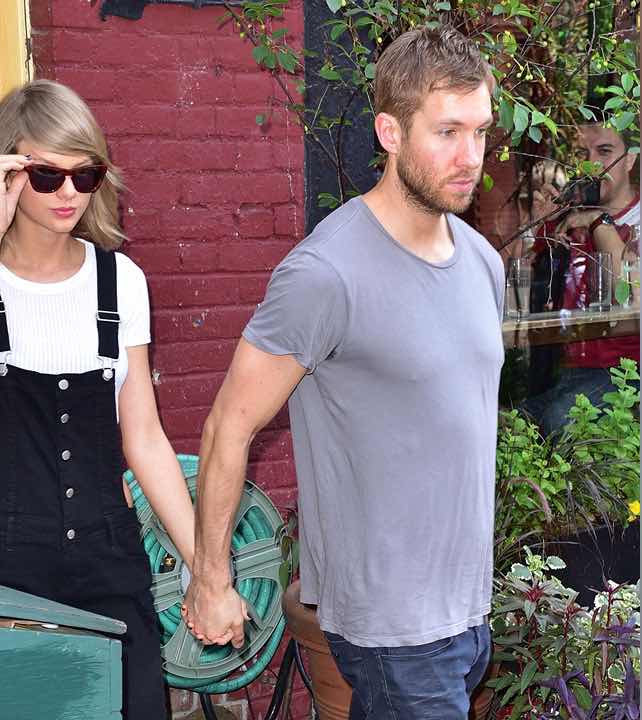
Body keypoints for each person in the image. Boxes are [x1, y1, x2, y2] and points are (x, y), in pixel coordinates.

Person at [182, 27, 503, 720]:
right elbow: (227, 427)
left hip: (467, 611)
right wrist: (212, 579)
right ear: (389, 130)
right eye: (446, 132)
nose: (469, 157)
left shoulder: (482, 261)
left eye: (480, 132)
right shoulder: (325, 274)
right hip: (392, 626)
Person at [0, 79, 194, 720]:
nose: (69, 193)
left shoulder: (119, 278)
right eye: (46, 176)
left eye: (85, 174)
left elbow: (145, 436)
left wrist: (204, 565)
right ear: (6, 173)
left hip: (109, 552)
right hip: (5, 551)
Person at [520, 115, 640, 436]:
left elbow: (626, 297)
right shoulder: (568, 218)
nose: (590, 165)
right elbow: (516, 280)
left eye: (603, 152)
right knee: (509, 424)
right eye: (582, 155)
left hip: (627, 375)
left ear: (629, 160)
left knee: (557, 421)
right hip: (568, 371)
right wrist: (536, 227)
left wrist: (600, 223)